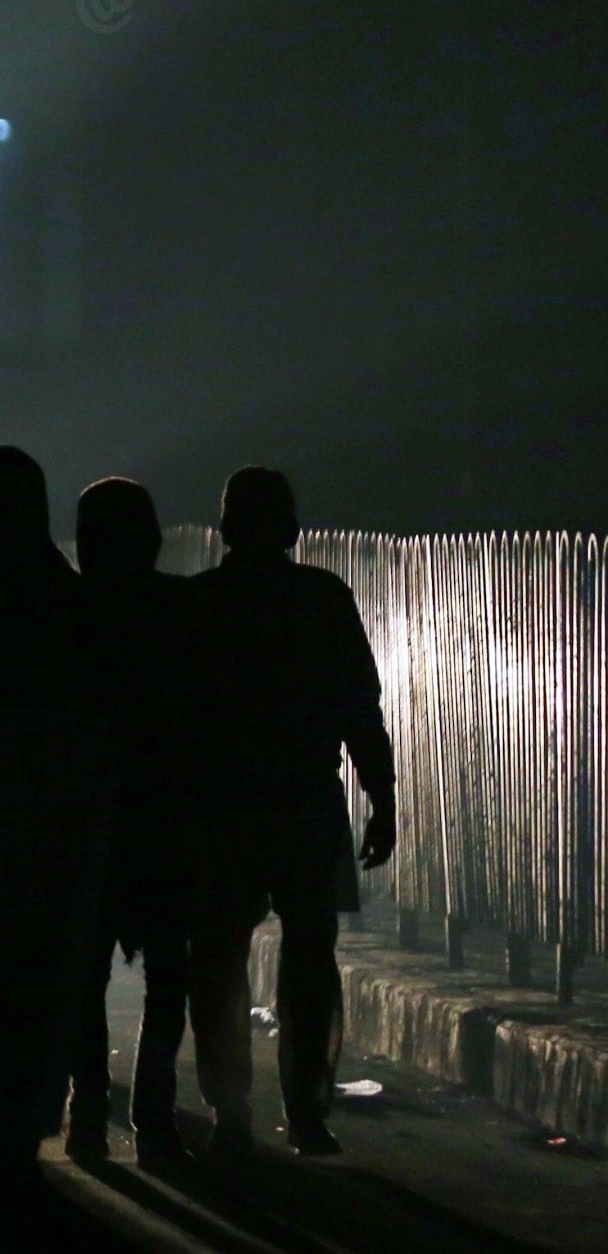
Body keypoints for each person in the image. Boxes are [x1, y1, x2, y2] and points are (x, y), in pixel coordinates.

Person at [188, 466, 396, 1158]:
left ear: (224, 529)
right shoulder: (321, 598)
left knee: (219, 953)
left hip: (222, 804)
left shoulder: (204, 603)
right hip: (305, 796)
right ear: (291, 530)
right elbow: (358, 708)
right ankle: (306, 1109)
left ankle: (231, 1108)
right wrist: (382, 795)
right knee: (309, 955)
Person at [66, 477, 194, 1165]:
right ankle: (154, 1113)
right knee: (167, 971)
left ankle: (89, 1105)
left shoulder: (68, 613)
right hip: (165, 815)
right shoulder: (184, 611)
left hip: (88, 816)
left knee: (84, 973)